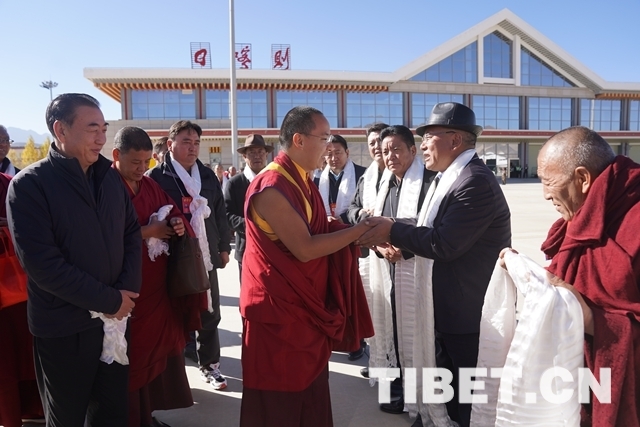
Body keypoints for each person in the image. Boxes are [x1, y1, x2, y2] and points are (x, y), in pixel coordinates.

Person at [358, 102, 511, 427]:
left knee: (467, 401)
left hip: (466, 316)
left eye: (429, 137)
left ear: (455, 140)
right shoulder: (450, 178)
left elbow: (445, 242)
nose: (424, 145)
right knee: (448, 395)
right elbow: (428, 225)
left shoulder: (474, 182)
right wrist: (391, 224)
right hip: (444, 311)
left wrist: (391, 230)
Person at [6, 93, 142, 426]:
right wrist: (110, 300)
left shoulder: (109, 178)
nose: (101, 138)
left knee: (112, 414)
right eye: (92, 128)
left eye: (104, 128)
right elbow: (43, 266)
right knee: (66, 417)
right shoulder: (30, 186)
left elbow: (131, 233)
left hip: (113, 322)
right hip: (64, 328)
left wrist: (125, 292)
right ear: (61, 130)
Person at [239, 106, 374, 427]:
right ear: (299, 140)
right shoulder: (271, 186)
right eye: (323, 138)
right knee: (279, 400)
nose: (328, 147)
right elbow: (305, 248)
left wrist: (349, 230)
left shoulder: (301, 179)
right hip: (277, 312)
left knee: (310, 395)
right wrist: (360, 231)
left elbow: (318, 225)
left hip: (303, 308)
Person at [528, 126, 639, 426]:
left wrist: (590, 319)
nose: (545, 194)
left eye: (548, 181)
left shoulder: (633, 223)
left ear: (583, 179)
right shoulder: (583, 217)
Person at [112, 126, 206, 427]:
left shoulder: (151, 186)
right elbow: (98, 236)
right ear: (116, 155)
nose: (142, 169)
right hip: (123, 288)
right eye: (135, 162)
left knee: (155, 356)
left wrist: (177, 224)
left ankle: (147, 414)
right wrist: (146, 232)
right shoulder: (104, 187)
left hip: (156, 288)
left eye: (146, 162)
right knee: (130, 357)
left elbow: (174, 212)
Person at [147, 120, 231, 391]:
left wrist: (223, 247)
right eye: (186, 142)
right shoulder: (156, 177)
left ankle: (211, 365)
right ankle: (173, 369)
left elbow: (219, 213)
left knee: (209, 311)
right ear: (170, 145)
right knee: (173, 313)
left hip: (203, 255)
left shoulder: (206, 176)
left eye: (196, 143)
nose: (192, 148)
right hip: (172, 257)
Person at [368, 125, 438, 416]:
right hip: (387, 269)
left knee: (416, 335)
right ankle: (396, 391)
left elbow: (433, 229)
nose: (390, 156)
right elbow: (374, 223)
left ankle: (420, 398)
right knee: (391, 331)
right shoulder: (384, 184)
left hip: (419, 270)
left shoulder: (430, 182)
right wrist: (380, 247)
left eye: (396, 149)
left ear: (412, 150)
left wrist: (404, 250)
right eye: (385, 151)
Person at [0, 172, 44, 427]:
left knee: (22, 353)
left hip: (15, 290)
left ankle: (32, 409)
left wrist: (8, 224)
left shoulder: (10, 183)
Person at [344, 122, 389, 368]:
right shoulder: (366, 177)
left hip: (395, 256)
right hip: (369, 257)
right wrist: (361, 213)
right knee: (374, 311)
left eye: (380, 141)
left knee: (393, 316)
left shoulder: (403, 175)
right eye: (372, 142)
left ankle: (394, 369)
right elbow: (351, 208)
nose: (377, 147)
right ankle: (378, 363)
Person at [224, 134, 273, 283]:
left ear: (266, 154)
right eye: (252, 152)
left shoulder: (274, 180)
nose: (257, 156)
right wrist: (249, 225)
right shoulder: (235, 183)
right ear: (244, 156)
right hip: (246, 247)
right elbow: (227, 214)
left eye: (260, 152)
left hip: (273, 248)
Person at [316, 134, 366, 223]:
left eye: (337, 153)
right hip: (327, 226)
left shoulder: (362, 174)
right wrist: (326, 217)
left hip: (354, 226)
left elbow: (364, 204)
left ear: (347, 153)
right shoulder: (318, 179)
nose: (334, 158)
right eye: (329, 154)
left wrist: (344, 218)